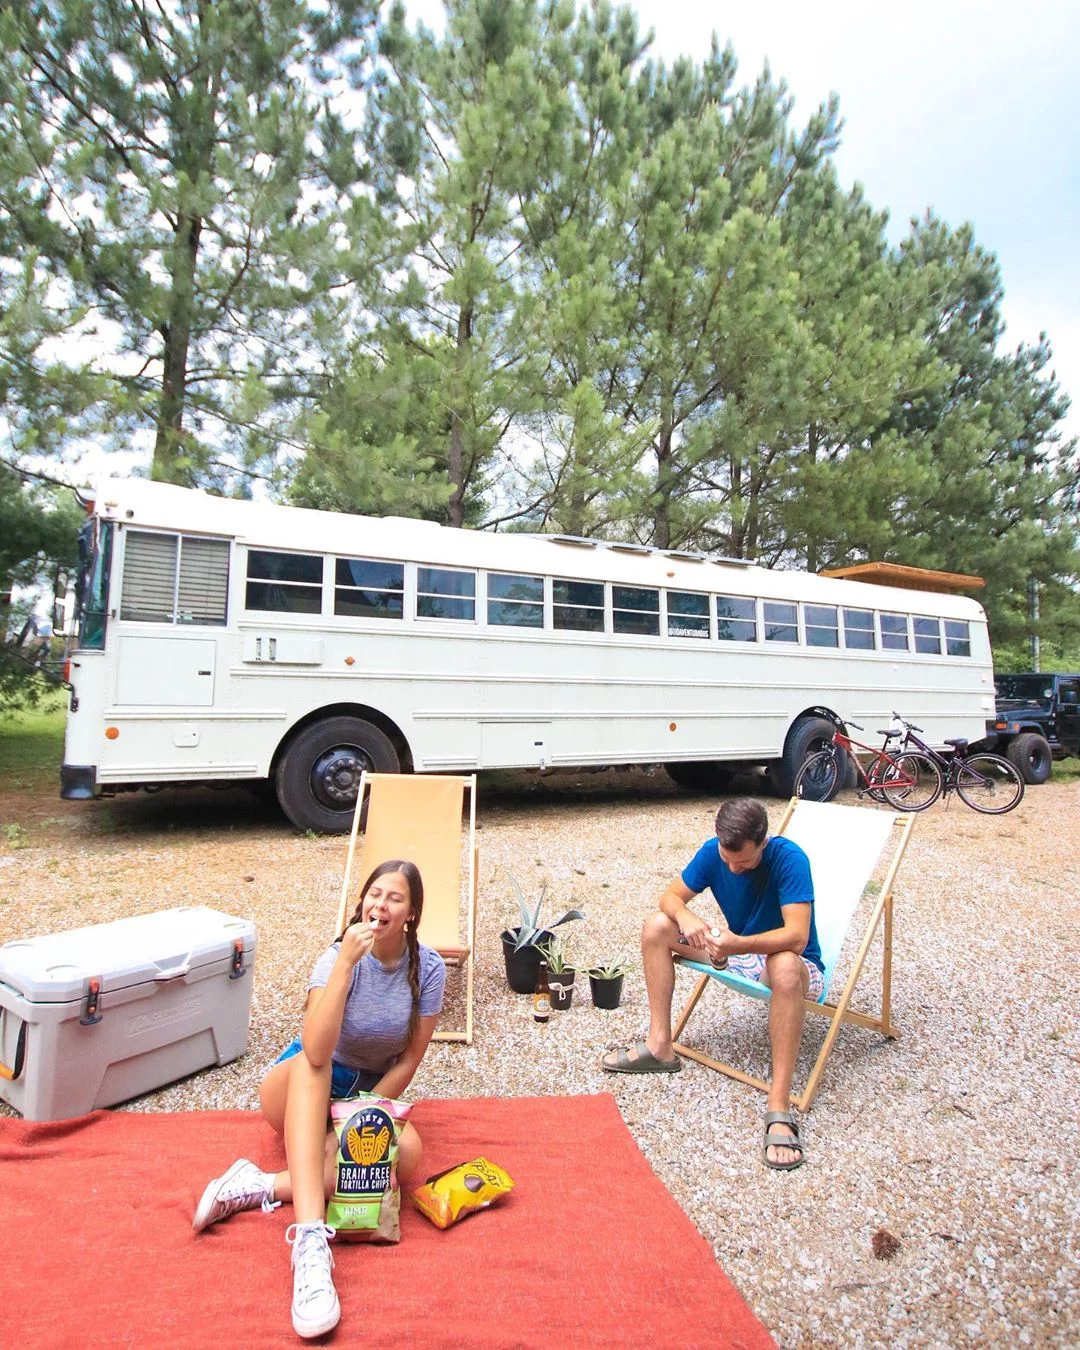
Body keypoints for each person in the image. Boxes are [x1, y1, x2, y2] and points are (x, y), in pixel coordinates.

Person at [193, 859, 446, 1338]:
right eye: (375, 894)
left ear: (411, 913)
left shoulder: (428, 968)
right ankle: (311, 1244)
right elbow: (313, 1048)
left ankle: (263, 1184)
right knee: (318, 1062)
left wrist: (356, 1125)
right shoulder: (337, 956)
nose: (381, 905)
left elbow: (408, 1062)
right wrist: (347, 965)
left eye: (395, 898)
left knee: (407, 1157)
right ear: (362, 901)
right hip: (298, 1087)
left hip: (364, 1092)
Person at [601, 798, 823, 1171]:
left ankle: (779, 1105)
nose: (734, 869)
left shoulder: (789, 859)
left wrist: (737, 944)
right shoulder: (712, 852)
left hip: (790, 965)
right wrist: (687, 917)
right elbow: (670, 896)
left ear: (764, 842)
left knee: (785, 966)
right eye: (728, 859)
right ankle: (660, 1046)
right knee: (657, 925)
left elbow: (797, 937)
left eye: (746, 862)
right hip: (736, 951)